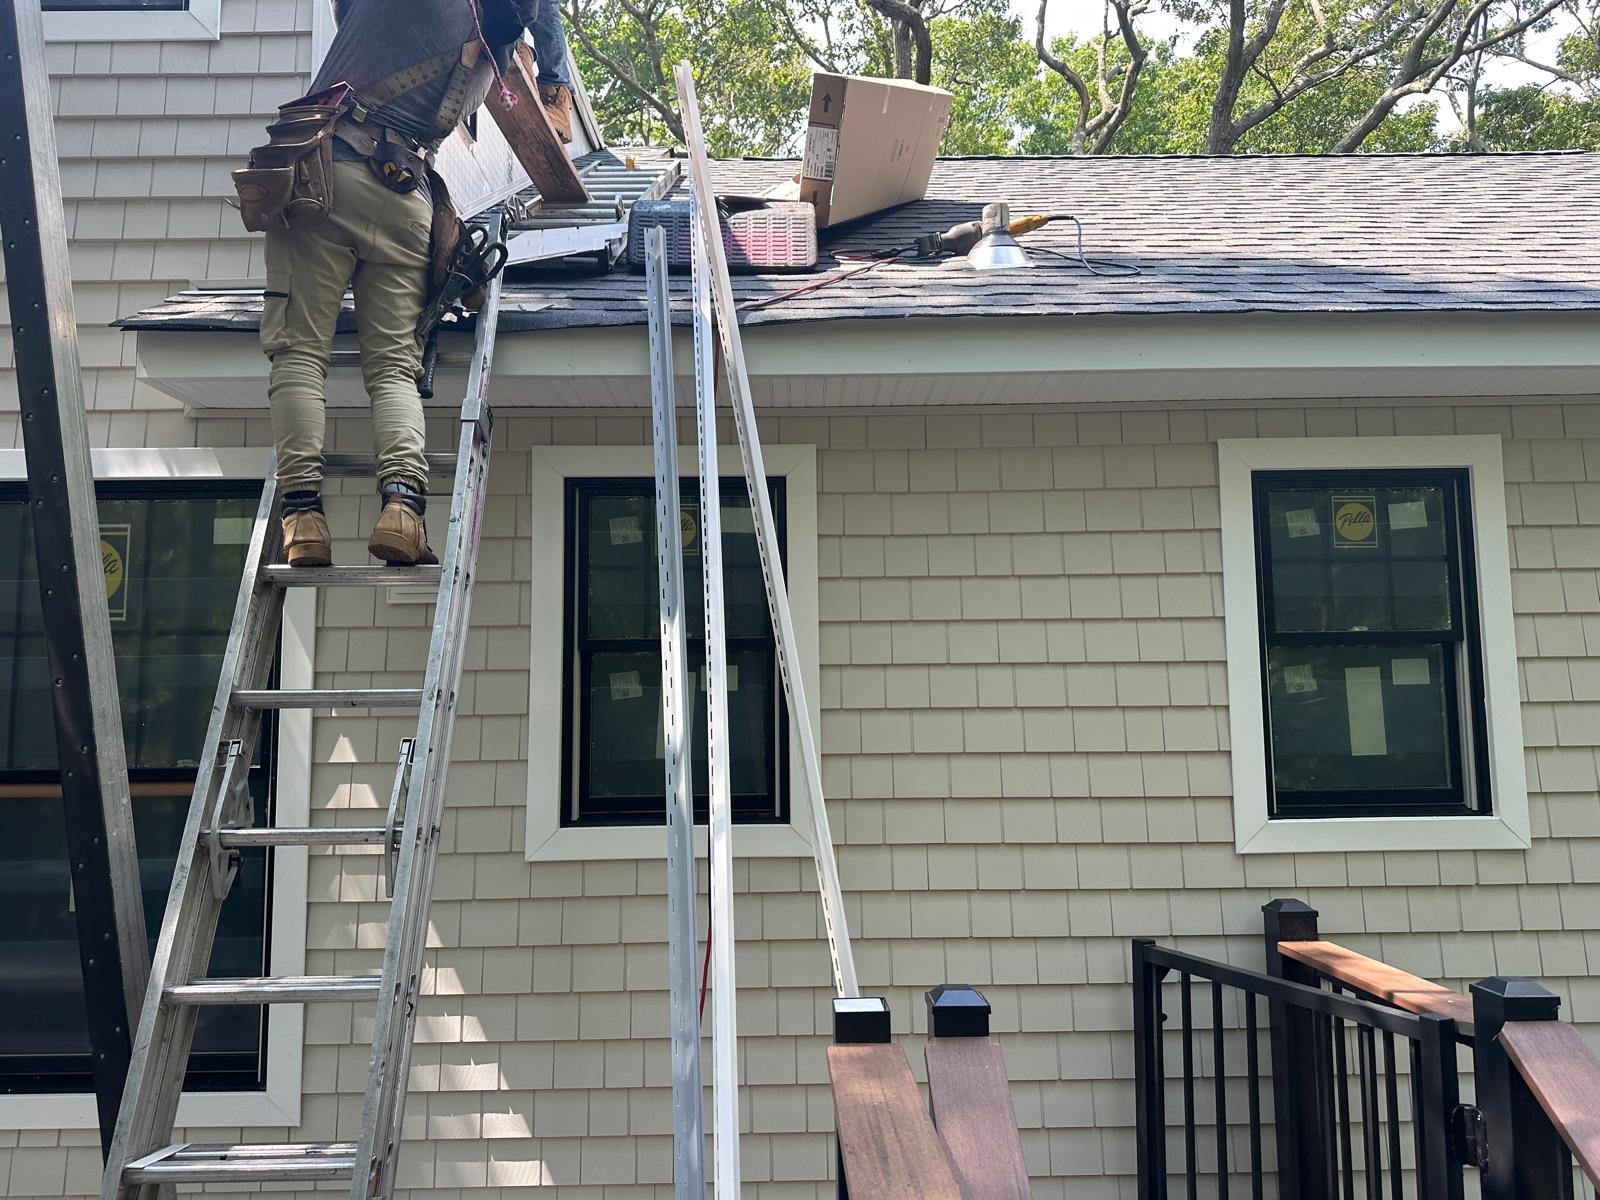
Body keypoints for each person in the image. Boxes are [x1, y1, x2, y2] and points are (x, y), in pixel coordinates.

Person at [271, 0, 576, 569]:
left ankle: (303, 519)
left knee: (300, 354)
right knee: (392, 366)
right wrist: (555, 80)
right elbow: (543, 13)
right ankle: (403, 512)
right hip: (407, 195)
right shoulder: (496, 43)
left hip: (327, 175)